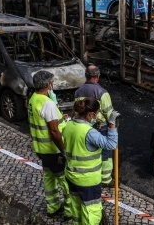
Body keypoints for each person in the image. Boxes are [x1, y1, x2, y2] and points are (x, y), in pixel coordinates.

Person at [63, 97, 118, 225]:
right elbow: (111, 144)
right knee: (91, 210)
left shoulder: (69, 125)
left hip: (71, 176)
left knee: (76, 208)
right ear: (90, 114)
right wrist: (112, 125)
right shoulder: (90, 133)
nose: (97, 117)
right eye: (96, 114)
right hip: (87, 180)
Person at [28, 71, 72, 220]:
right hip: (53, 150)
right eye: (52, 83)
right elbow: (54, 131)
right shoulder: (47, 103)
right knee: (65, 181)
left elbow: (43, 120)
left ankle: (52, 207)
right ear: (48, 85)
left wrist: (61, 117)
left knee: (49, 178)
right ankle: (69, 211)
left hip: (40, 149)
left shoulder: (34, 99)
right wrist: (63, 150)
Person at [74, 65, 119, 186]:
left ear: (86, 76)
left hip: (84, 127)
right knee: (106, 154)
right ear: (98, 76)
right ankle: (106, 179)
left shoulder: (78, 92)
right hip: (102, 128)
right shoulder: (102, 93)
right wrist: (114, 130)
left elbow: (76, 111)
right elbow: (110, 115)